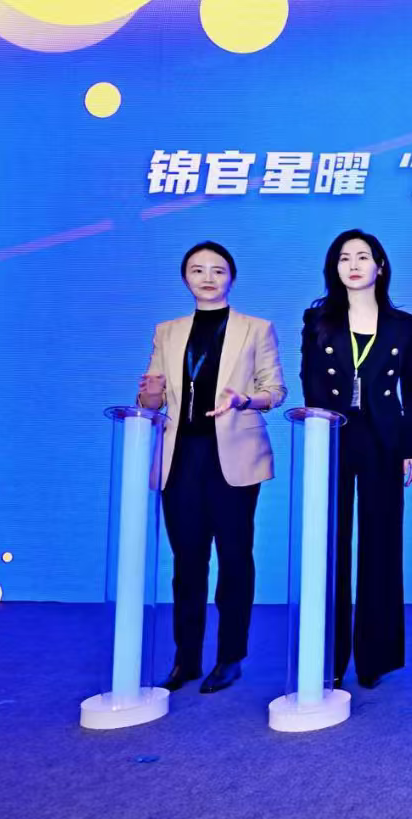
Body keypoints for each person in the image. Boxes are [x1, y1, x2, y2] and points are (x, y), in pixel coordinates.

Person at [139, 241, 286, 694]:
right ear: (185, 277)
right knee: (187, 562)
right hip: (180, 456)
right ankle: (185, 659)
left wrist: (245, 399)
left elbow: (275, 391)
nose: (207, 277)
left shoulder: (256, 328)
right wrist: (148, 395)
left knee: (235, 558)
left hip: (234, 456)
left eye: (218, 270)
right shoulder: (167, 332)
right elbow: (152, 399)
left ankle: (230, 657)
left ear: (231, 278)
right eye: (198, 270)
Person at [300, 229, 412, 689]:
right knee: (330, 544)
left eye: (362, 257)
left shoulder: (403, 324)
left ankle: (374, 659)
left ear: (380, 266)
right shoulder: (317, 319)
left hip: (383, 438)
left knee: (381, 544)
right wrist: (318, 436)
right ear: (334, 268)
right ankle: (328, 657)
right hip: (333, 436)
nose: (353, 265)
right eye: (344, 258)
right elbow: (309, 381)